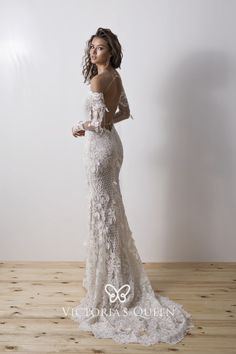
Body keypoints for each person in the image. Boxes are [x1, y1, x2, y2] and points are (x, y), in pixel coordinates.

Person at [71, 27, 194, 346]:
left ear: (110, 51)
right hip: (114, 146)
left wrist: (79, 126)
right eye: (91, 48)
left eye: (99, 48)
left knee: (104, 212)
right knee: (110, 209)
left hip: (99, 151)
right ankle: (118, 276)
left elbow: (98, 122)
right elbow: (122, 112)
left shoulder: (98, 80)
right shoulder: (116, 77)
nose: (93, 53)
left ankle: (111, 283)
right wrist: (103, 121)